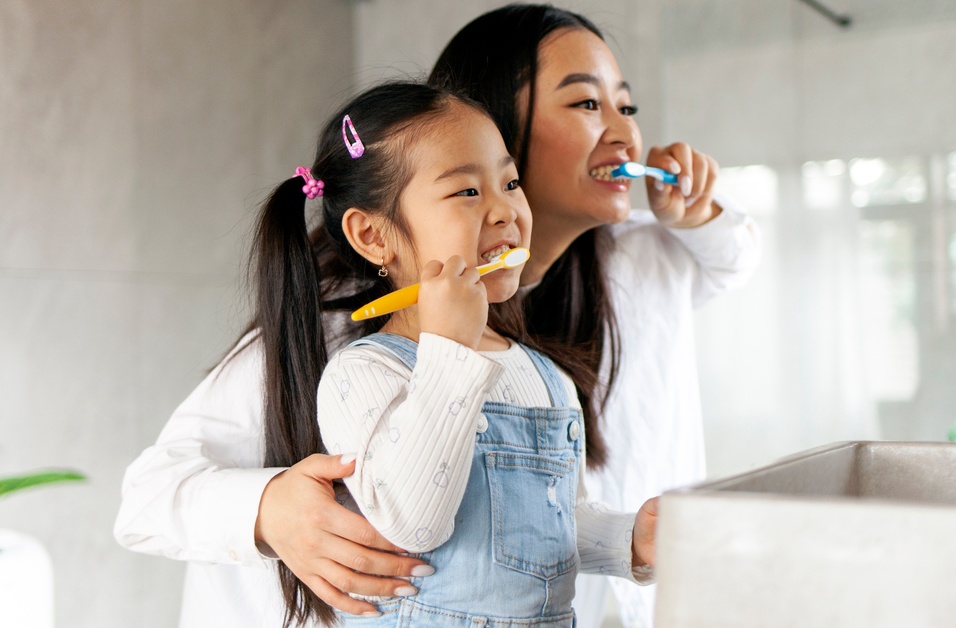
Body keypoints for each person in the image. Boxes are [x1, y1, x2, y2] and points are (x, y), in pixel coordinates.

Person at [115, 4, 758, 627]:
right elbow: (148, 496)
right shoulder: (343, 329)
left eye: (627, 105)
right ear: (491, 123)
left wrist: (625, 542)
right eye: (586, 103)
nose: (623, 132)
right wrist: (269, 510)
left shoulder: (601, 289)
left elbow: (543, 515)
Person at [240, 80, 657, 626]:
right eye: (466, 192)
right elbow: (413, 523)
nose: (506, 211)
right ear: (372, 236)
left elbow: (550, 523)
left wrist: (631, 541)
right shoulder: (362, 373)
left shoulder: (544, 375)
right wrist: (450, 349)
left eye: (509, 181)